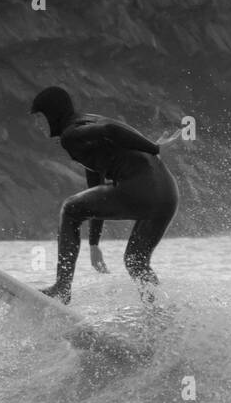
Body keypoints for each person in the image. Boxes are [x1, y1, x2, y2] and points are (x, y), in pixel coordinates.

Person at [29, 86, 178, 304]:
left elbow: (110, 129)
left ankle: (61, 289)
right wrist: (94, 244)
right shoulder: (86, 125)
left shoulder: (71, 135)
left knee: (70, 209)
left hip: (141, 188)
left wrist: (155, 148)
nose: (36, 124)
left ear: (52, 113)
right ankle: (157, 313)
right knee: (136, 261)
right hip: (166, 195)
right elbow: (95, 185)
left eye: (39, 117)